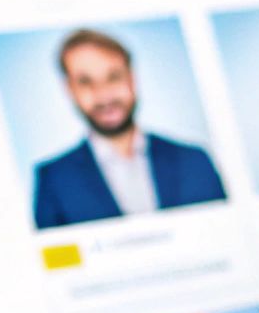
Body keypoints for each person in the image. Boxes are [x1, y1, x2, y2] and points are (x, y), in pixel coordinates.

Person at [32, 29, 226, 230]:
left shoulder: (195, 161)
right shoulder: (54, 179)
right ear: (70, 89)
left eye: (113, 77)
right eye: (85, 82)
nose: (104, 95)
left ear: (131, 78)